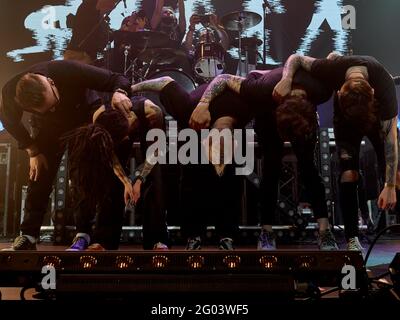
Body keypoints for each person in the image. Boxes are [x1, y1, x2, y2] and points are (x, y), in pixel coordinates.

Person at [189, 67, 338, 251]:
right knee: (271, 166)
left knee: (308, 166)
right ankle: (266, 231)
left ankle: (325, 230)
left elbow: (315, 59)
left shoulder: (321, 90)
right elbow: (224, 78)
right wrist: (203, 104)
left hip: (302, 115)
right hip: (267, 109)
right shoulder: (262, 88)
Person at [0, 60, 131, 250]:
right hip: (49, 126)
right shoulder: (10, 92)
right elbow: (9, 121)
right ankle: (28, 236)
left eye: (52, 103)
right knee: (39, 175)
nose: (52, 107)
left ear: (51, 83)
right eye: (47, 108)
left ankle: (83, 233)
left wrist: (120, 92)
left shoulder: (65, 70)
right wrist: (32, 149)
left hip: (84, 115)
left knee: (81, 174)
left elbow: (116, 79)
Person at [273, 52, 398, 251]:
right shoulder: (332, 69)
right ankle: (352, 238)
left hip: (374, 117)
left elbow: (391, 142)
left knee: (393, 172)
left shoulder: (384, 86)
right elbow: (295, 58)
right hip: (346, 121)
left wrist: (390, 184)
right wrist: (286, 79)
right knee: (349, 174)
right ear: (339, 92)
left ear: (373, 92)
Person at [131, 77, 253, 250]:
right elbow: (165, 82)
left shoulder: (247, 106)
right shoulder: (187, 107)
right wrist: (131, 87)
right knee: (193, 179)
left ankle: (227, 234)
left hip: (224, 128)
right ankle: (193, 234)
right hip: (195, 125)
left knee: (230, 180)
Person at [64, 97, 169, 251]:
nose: (127, 139)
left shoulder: (153, 113)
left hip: (152, 139)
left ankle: (156, 238)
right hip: (116, 134)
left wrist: (139, 179)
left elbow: (155, 152)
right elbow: (110, 156)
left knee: (155, 176)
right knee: (111, 179)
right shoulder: (100, 117)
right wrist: (126, 181)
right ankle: (104, 239)